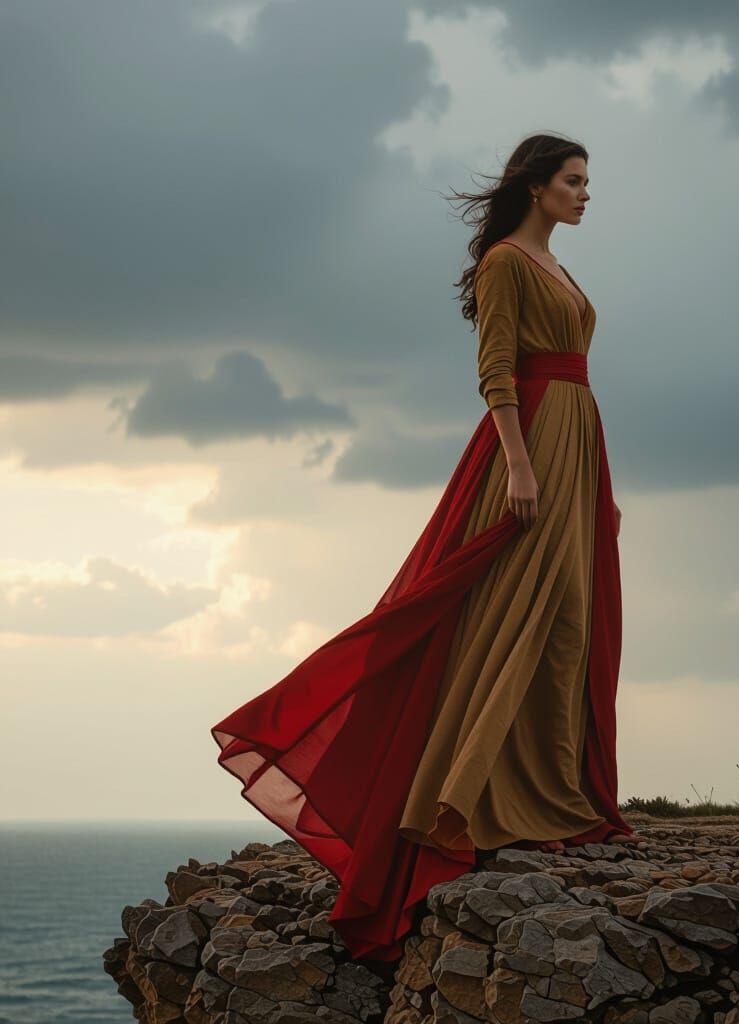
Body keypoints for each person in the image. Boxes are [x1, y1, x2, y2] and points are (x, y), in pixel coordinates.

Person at [210, 133, 638, 965]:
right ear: (536, 187)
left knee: (568, 625)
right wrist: (519, 462)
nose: (587, 194)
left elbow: (576, 369)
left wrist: (594, 488)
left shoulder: (555, 264)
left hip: (578, 442)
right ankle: (476, 795)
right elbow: (498, 369)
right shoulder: (509, 264)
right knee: (512, 617)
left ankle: (550, 791)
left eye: (588, 182)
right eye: (574, 181)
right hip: (534, 444)